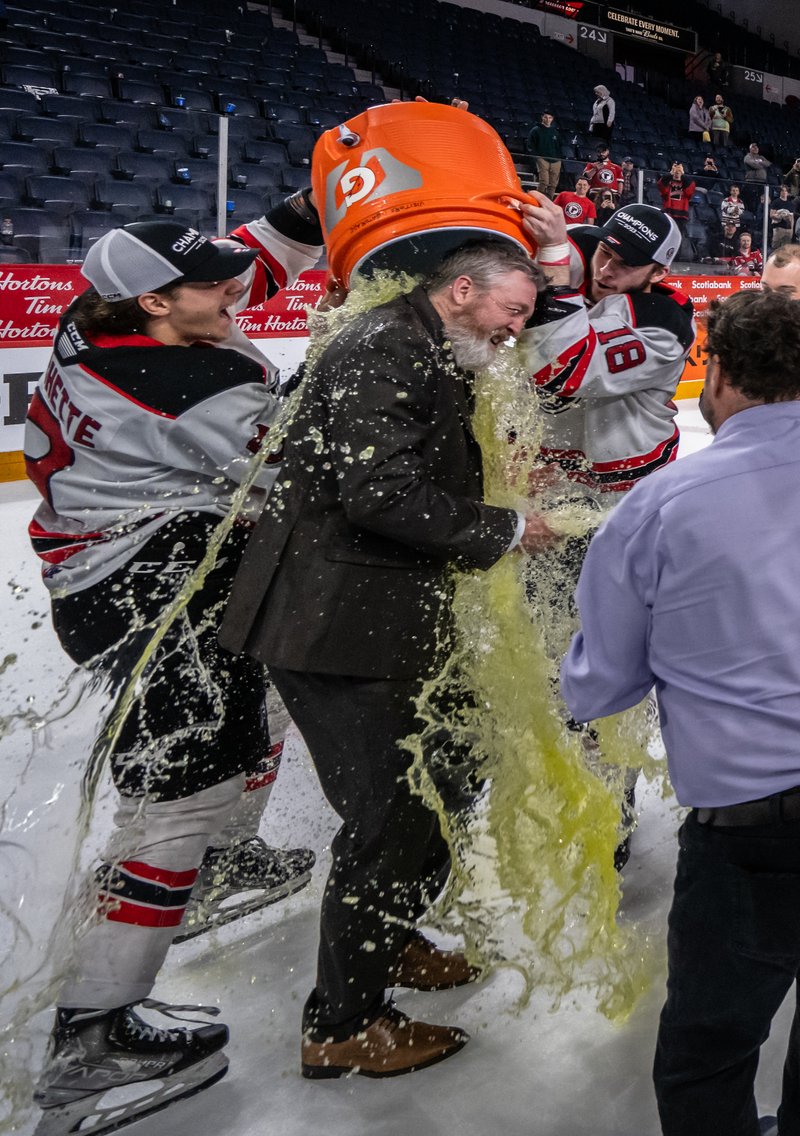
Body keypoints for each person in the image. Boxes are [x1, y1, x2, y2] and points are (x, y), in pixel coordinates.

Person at [219, 241, 560, 1079]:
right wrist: (507, 528)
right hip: (332, 625)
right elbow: (383, 496)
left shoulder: (422, 340)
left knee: (445, 772)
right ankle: (343, 1025)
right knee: (393, 819)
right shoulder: (385, 347)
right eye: (512, 311)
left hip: (373, 619)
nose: (517, 331)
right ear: (462, 291)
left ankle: (391, 936)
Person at [26, 199, 323, 1133]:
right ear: (156, 306)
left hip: (129, 570)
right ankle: (93, 1033)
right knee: (179, 794)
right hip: (153, 592)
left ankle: (227, 862)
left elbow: (252, 265)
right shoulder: (187, 381)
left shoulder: (102, 320)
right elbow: (312, 458)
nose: (234, 287)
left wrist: (313, 211)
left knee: (261, 711)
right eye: (209, 282)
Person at [559, 287, 800, 1136]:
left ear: (720, 374)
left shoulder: (660, 506)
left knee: (711, 1044)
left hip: (754, 828)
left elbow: (600, 683)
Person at [518, 196, 694, 495]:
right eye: (605, 252)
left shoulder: (664, 324)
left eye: (626, 264)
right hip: (549, 468)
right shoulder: (581, 249)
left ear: (659, 272)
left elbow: (562, 369)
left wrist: (554, 254)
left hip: (622, 482)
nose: (605, 270)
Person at [526, 108, 562, 199]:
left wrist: (559, 158)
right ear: (542, 118)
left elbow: (559, 146)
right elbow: (530, 145)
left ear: (552, 119)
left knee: (553, 184)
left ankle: (548, 201)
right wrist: (537, 157)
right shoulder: (536, 130)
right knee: (544, 181)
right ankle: (537, 200)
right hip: (542, 159)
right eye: (545, 117)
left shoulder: (555, 132)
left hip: (556, 160)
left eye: (549, 118)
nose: (547, 119)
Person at [657, 162, 696, 227]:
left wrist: (683, 174)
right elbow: (661, 185)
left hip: (681, 217)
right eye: (676, 171)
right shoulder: (668, 183)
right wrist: (671, 173)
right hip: (668, 214)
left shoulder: (686, 184)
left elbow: (690, 191)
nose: (677, 173)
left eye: (679, 171)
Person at [743, 142, 772, 213]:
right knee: (752, 200)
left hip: (762, 182)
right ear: (750, 149)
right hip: (751, 181)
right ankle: (751, 213)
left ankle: (759, 213)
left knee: (761, 200)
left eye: (757, 147)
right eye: (753, 147)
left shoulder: (761, 157)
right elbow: (755, 166)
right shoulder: (748, 156)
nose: (755, 148)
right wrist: (762, 164)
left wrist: (759, 162)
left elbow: (768, 163)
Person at [769, 184, 794, 251]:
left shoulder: (790, 204)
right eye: (782, 191)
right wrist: (780, 217)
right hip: (778, 228)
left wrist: (792, 229)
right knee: (775, 248)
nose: (784, 192)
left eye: (785, 191)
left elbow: (792, 218)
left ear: (788, 193)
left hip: (788, 229)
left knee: (786, 250)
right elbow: (771, 215)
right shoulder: (776, 202)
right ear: (780, 192)